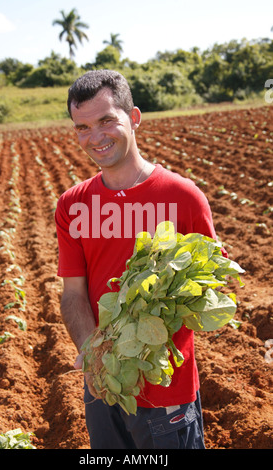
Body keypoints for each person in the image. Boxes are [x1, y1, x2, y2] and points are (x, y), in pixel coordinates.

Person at [55, 70, 221, 449]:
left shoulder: (183, 197)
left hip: (165, 394)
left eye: (106, 120)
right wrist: (91, 353)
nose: (95, 137)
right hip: (104, 388)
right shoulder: (72, 205)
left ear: (134, 117)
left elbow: (209, 283)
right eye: (82, 127)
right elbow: (73, 293)